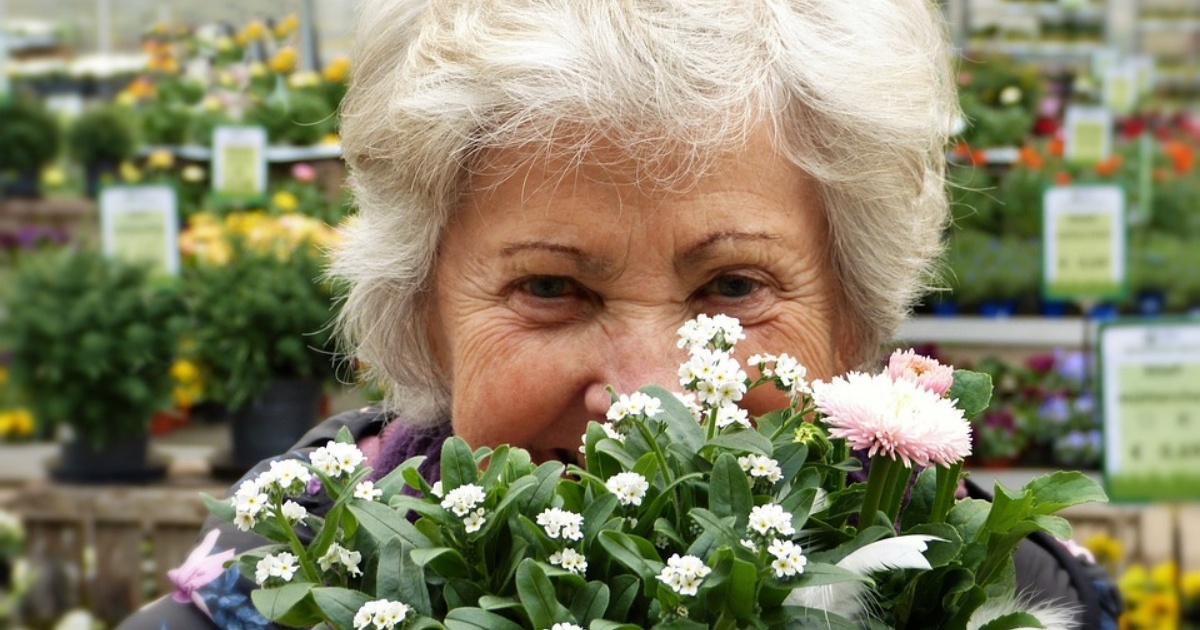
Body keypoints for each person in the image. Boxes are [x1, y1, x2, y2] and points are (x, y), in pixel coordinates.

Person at [118, 1, 1116, 628]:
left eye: (733, 288)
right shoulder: (262, 604)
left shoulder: (1003, 599)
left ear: (851, 322)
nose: (646, 397)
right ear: (422, 315)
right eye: (551, 289)